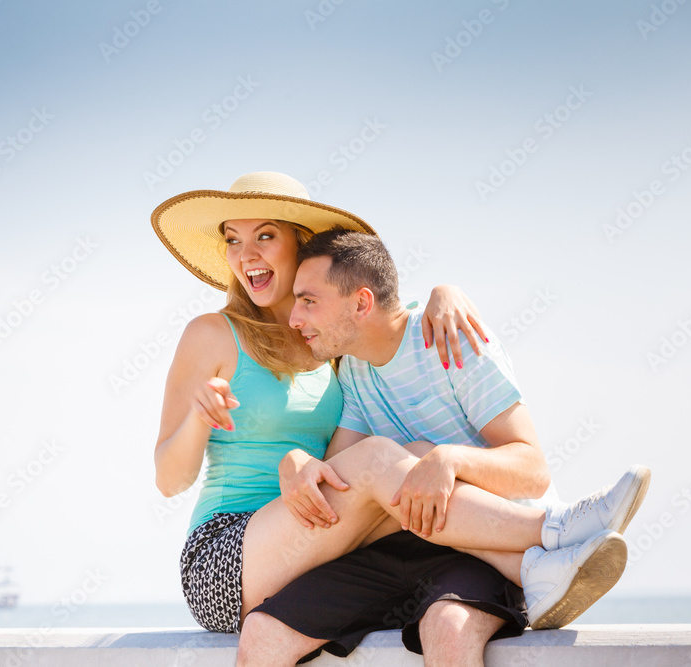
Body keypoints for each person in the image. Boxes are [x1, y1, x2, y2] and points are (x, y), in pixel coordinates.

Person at [151, 172, 649, 665]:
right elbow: (169, 480)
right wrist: (199, 417)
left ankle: (535, 564)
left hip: (324, 535)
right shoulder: (212, 334)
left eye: (264, 235)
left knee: (406, 462)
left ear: (301, 246)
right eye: (232, 240)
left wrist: (444, 291)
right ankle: (552, 532)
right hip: (229, 554)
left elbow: (382, 319)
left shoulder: (333, 345)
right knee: (387, 463)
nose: (246, 255)